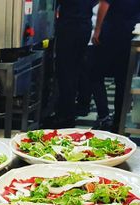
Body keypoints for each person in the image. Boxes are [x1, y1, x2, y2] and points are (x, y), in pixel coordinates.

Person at [91, 0, 140, 132]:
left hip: (112, 30)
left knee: (95, 74)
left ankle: (104, 116)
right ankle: (118, 121)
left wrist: (97, 29)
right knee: (123, 80)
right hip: (131, 31)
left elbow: (104, 4)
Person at [54, 0, 98, 128]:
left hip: (69, 27)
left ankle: (66, 117)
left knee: (65, 73)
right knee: (76, 71)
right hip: (84, 26)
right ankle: (71, 111)